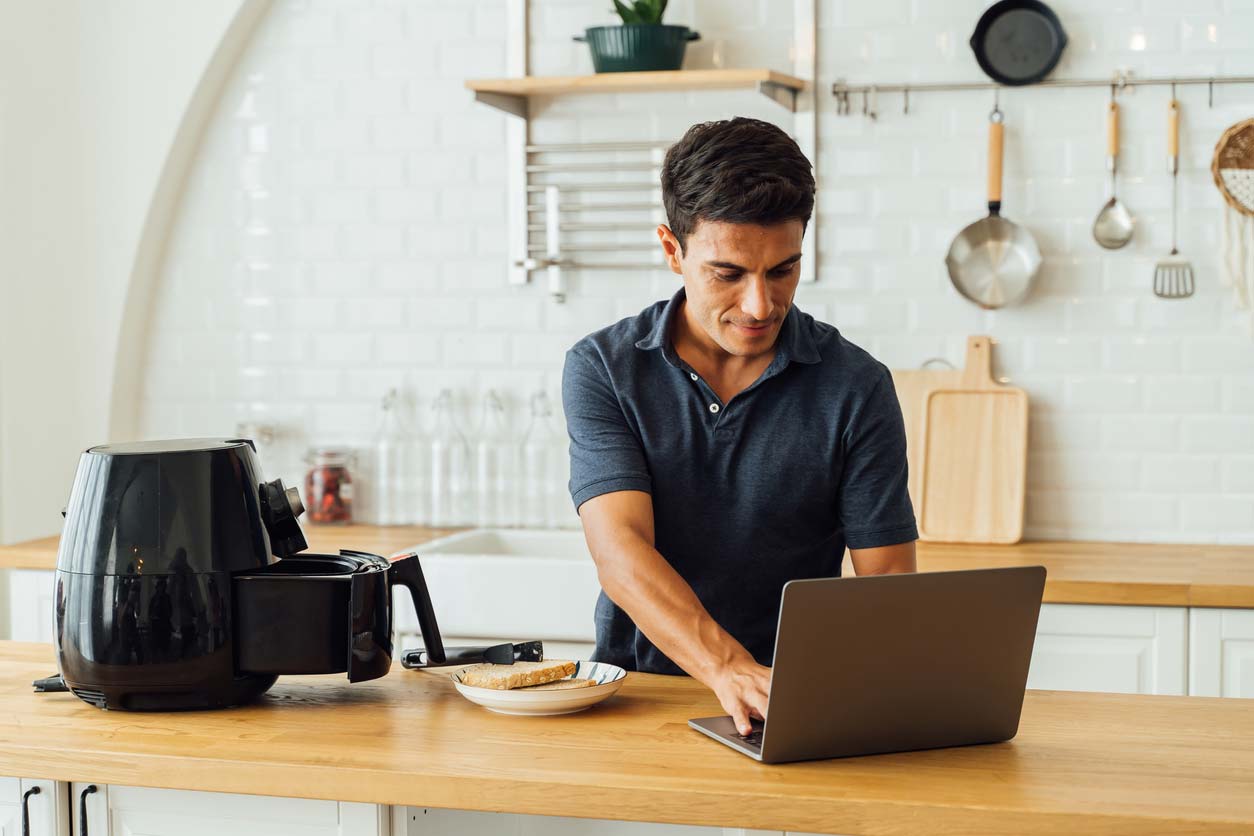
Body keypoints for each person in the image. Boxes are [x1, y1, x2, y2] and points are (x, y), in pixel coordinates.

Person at [562, 117, 918, 736]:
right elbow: (620, 552)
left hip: (794, 697)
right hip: (642, 696)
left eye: (782, 270)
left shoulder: (857, 385)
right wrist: (728, 668)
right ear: (674, 251)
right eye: (728, 274)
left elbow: (885, 580)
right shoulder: (604, 369)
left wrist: (878, 699)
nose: (759, 306)